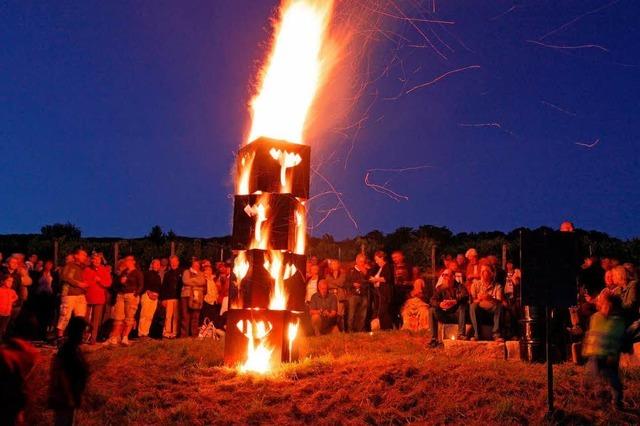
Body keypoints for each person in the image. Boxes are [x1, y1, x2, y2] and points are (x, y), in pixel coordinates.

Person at [582, 294, 626, 408]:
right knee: (591, 379)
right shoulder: (595, 317)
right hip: (594, 355)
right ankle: (596, 400)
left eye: (602, 302)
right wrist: (586, 349)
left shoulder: (618, 322)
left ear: (610, 305)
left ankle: (616, 402)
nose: (598, 304)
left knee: (612, 380)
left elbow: (615, 336)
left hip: (608, 357)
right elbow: (591, 334)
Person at [48, 316, 90, 426]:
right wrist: (69, 396)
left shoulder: (75, 349)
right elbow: (62, 373)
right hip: (64, 398)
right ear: (77, 332)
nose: (86, 336)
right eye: (84, 332)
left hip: (71, 396)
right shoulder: (68, 349)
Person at [107, 255, 143, 346]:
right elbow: (117, 283)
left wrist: (135, 294)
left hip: (131, 295)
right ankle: (115, 337)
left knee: (129, 317)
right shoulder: (124, 272)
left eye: (128, 260)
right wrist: (121, 281)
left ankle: (125, 337)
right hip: (121, 295)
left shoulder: (137, 273)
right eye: (126, 260)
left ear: (133, 261)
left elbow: (141, 285)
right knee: (118, 317)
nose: (126, 262)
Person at [428, 268, 469, 347]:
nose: (444, 277)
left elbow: (465, 296)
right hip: (445, 314)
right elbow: (432, 300)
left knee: (462, 306)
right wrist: (440, 304)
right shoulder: (440, 288)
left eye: (446, 275)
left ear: (453, 277)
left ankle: (460, 334)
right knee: (432, 310)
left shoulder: (460, 287)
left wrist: (455, 301)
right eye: (443, 275)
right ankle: (433, 339)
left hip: (457, 315)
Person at [56, 249, 88, 340]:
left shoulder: (83, 267)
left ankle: (76, 338)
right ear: (76, 255)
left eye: (86, 255)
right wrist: (79, 284)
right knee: (65, 316)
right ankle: (60, 338)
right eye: (83, 255)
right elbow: (65, 277)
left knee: (80, 318)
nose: (85, 257)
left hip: (81, 295)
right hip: (69, 295)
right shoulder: (70, 265)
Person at [82, 254, 112, 345]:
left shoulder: (104, 270)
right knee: (85, 318)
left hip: (99, 297)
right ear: (91, 260)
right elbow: (84, 281)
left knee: (96, 319)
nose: (96, 262)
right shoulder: (87, 269)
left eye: (98, 260)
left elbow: (108, 283)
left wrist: (100, 281)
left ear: (100, 261)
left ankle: (93, 338)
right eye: (94, 260)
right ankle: (84, 336)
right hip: (88, 297)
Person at [469, 264, 504, 341]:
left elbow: (499, 300)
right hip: (480, 310)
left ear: (491, 274)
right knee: (473, 306)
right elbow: (472, 300)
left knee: (499, 306)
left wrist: (489, 298)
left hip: (492, 310)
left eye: (485, 271)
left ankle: (496, 334)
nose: (482, 273)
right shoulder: (475, 285)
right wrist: (480, 299)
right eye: (481, 271)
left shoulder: (497, 286)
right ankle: (477, 334)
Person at [1, 255, 33, 321]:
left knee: (10, 321)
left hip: (13, 302)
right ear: (8, 263)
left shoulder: (18, 276)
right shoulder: (2, 273)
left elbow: (19, 288)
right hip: (3, 302)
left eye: (16, 263)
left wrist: (17, 300)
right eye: (13, 262)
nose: (15, 264)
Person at [180, 259, 206, 337]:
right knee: (185, 316)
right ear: (192, 265)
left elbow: (203, 282)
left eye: (198, 265)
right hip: (186, 295)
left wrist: (192, 280)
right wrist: (196, 281)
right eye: (195, 265)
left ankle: (194, 335)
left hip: (197, 297)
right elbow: (185, 281)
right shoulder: (186, 272)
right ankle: (184, 335)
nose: (196, 266)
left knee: (195, 316)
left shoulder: (201, 273)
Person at [369, 251, 394, 331]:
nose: (376, 261)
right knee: (380, 310)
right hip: (379, 293)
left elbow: (387, 278)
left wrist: (376, 279)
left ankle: (386, 328)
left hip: (385, 293)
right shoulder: (380, 268)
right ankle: (383, 328)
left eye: (377, 259)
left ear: (382, 258)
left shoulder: (388, 266)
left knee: (383, 311)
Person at [345, 254, 370, 332]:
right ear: (356, 261)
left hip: (363, 295)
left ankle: (361, 330)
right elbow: (346, 283)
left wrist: (366, 274)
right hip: (353, 295)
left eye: (363, 261)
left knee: (363, 314)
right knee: (351, 314)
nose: (362, 263)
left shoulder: (366, 271)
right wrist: (353, 284)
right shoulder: (351, 270)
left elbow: (369, 282)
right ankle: (350, 330)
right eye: (360, 261)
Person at [401, 267, 430, 332]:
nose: (415, 273)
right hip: (411, 302)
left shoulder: (420, 281)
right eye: (414, 271)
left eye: (416, 271)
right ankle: (408, 327)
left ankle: (422, 327)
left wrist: (419, 294)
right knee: (406, 312)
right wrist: (411, 294)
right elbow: (408, 295)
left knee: (424, 311)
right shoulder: (408, 283)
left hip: (420, 302)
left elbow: (423, 295)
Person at [160, 256, 182, 339]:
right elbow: (164, 287)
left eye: (174, 261)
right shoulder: (167, 274)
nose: (173, 263)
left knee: (176, 316)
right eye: (171, 262)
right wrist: (163, 299)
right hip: (169, 298)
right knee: (168, 316)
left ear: (178, 262)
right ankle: (167, 332)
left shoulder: (182, 272)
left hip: (178, 297)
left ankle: (175, 332)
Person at [139, 259, 162, 339]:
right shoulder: (146, 274)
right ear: (152, 265)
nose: (157, 266)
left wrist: (157, 295)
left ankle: (146, 333)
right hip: (147, 295)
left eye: (158, 264)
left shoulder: (158, 276)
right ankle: (141, 333)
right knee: (144, 315)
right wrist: (148, 292)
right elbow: (143, 284)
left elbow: (159, 287)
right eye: (155, 264)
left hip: (155, 297)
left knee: (150, 316)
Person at [391, 251, 412, 329]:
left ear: (402, 256)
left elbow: (414, 279)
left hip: (406, 291)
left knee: (404, 309)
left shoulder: (409, 267)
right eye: (393, 258)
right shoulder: (392, 267)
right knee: (395, 309)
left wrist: (408, 283)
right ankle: (396, 326)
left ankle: (405, 325)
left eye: (396, 257)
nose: (394, 259)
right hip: (395, 291)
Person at [324, 259, 346, 331]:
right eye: (332, 264)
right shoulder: (328, 275)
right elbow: (327, 284)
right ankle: (331, 330)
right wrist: (336, 283)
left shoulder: (342, 273)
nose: (333, 265)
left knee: (340, 314)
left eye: (335, 264)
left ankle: (342, 331)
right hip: (331, 296)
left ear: (338, 265)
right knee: (332, 313)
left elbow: (341, 283)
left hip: (340, 296)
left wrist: (331, 282)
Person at [0, 275, 18, 341]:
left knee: (3, 329)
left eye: (12, 281)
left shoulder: (12, 291)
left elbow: (16, 297)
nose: (10, 283)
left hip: (7, 314)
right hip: (0, 313)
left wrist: (11, 301)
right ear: (3, 281)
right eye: (8, 281)